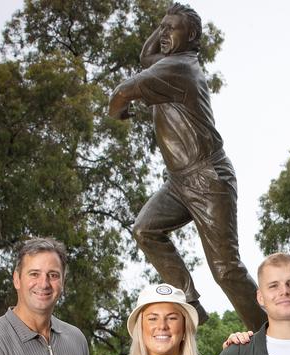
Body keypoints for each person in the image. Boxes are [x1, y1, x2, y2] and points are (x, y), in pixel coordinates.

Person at [108, 3, 265, 331]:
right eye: (161, 28)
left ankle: (275, 334)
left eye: (171, 29)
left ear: (191, 35)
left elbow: (121, 93)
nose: (163, 35)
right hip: (179, 182)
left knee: (226, 269)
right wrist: (168, 22)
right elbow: (145, 57)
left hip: (207, 178)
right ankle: (191, 301)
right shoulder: (172, 63)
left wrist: (117, 113)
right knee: (145, 230)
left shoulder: (180, 69)